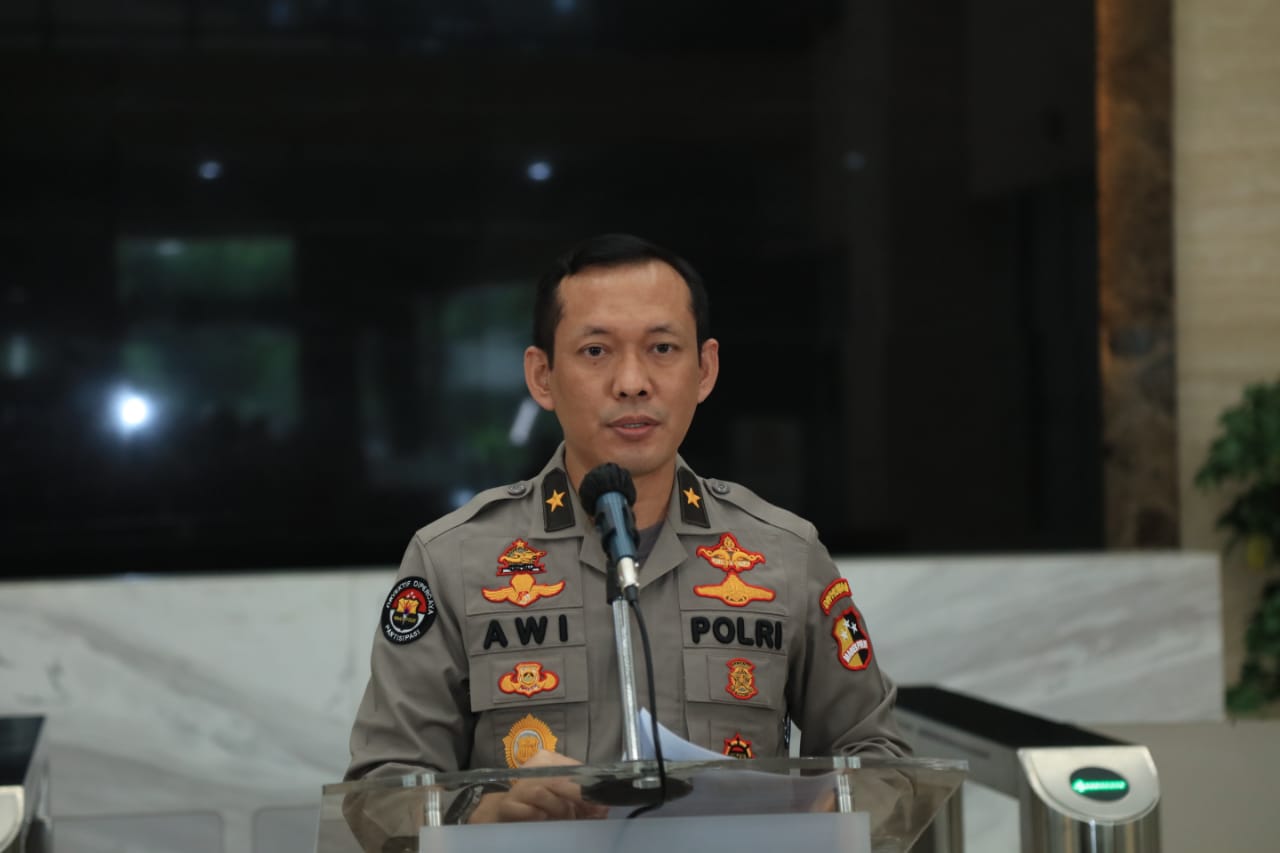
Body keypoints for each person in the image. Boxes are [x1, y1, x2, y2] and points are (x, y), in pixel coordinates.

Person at [344, 233, 910, 829]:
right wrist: (483, 813)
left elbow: (881, 760)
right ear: (542, 376)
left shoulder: (785, 555)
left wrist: (822, 813)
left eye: (663, 348)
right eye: (596, 351)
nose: (633, 381)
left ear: (705, 370)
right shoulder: (454, 560)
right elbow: (381, 789)